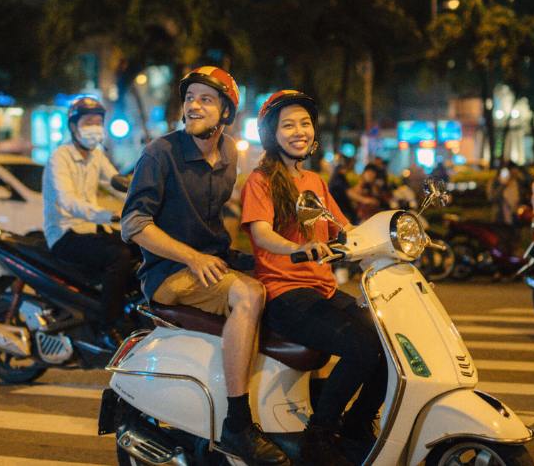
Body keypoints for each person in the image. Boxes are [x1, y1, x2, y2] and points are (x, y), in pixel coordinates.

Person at [121, 66, 289, 465]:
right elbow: (133, 224)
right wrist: (192, 256)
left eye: (206, 99)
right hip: (169, 273)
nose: (194, 105)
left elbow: (222, 215)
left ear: (226, 113)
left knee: (287, 283)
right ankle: (238, 423)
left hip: (214, 260)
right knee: (249, 294)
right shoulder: (160, 153)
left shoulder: (230, 152)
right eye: (190, 98)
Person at [240, 90, 386, 465]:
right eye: (288, 125)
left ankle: (355, 427)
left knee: (389, 345)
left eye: (304, 123)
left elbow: (343, 228)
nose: (299, 131)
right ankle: (319, 436)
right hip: (286, 295)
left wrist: (385, 240)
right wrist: (295, 249)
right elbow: (261, 232)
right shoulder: (261, 180)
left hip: (322, 289)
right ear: (272, 134)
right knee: (361, 346)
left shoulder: (315, 182)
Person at [42, 96, 138, 344]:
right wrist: (109, 214)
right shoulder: (59, 158)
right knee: (119, 256)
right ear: (74, 127)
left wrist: (145, 196)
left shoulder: (96, 156)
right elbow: (68, 201)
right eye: (88, 122)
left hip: (89, 230)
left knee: (139, 246)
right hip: (64, 234)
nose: (95, 127)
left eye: (98, 122)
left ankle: (133, 313)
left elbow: (116, 182)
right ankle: (108, 326)